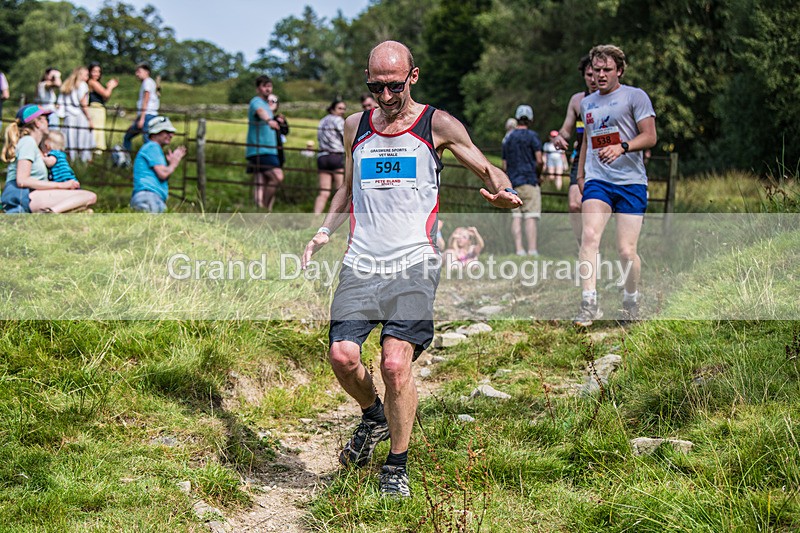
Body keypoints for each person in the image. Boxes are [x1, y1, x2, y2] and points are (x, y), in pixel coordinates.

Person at [300, 40, 521, 498]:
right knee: (343, 357)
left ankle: (396, 464)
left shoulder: (435, 123)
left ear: (413, 77)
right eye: (375, 86)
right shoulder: (352, 127)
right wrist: (324, 231)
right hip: (361, 261)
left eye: (394, 86)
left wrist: (503, 189)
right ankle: (373, 415)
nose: (384, 96)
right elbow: (345, 190)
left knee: (395, 363)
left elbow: (485, 168)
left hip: (415, 262)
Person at [574, 44, 657, 326]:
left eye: (606, 70)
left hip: (631, 182)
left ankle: (631, 300)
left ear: (619, 71)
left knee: (625, 250)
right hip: (598, 179)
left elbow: (650, 137)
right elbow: (587, 139)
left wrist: (623, 147)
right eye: (596, 70)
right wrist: (581, 175)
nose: (600, 75)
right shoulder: (587, 103)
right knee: (589, 236)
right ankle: (589, 304)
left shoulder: (635, 96)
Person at [1, 105, 96, 213]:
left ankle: (50, 213)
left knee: (85, 209)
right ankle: (50, 213)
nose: (48, 122)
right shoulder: (28, 142)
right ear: (38, 123)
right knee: (89, 196)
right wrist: (61, 186)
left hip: (30, 194)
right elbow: (22, 180)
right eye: (46, 119)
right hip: (23, 195)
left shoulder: (34, 146)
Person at [553, 55, 597, 244]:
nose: (594, 79)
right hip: (581, 158)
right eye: (589, 75)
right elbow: (566, 129)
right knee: (574, 205)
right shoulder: (577, 100)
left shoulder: (612, 100)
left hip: (605, 159)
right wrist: (560, 138)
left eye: (596, 74)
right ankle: (583, 244)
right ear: (584, 76)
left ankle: (594, 241)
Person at [502, 104, 543, 256]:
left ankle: (519, 249)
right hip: (529, 179)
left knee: (516, 217)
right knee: (530, 216)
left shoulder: (509, 138)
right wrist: (539, 174)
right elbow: (539, 160)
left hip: (512, 182)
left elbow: (504, 165)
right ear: (530, 120)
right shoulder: (533, 137)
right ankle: (532, 250)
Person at [130, 116, 186, 213]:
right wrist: (173, 164)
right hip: (149, 197)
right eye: (166, 132)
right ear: (156, 133)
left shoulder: (152, 148)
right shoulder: (152, 147)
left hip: (151, 198)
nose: (171, 135)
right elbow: (163, 174)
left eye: (171, 132)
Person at [246, 75, 284, 210]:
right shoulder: (256, 101)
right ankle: (264, 208)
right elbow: (260, 112)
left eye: (269, 86)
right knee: (277, 176)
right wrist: (269, 121)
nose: (267, 89)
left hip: (269, 149)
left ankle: (260, 211)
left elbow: (266, 110)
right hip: (260, 148)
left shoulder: (267, 105)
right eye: (264, 86)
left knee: (261, 181)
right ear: (258, 88)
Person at [313, 99, 346, 214]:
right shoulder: (339, 120)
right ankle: (335, 219)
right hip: (335, 156)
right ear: (332, 109)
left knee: (324, 192)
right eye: (340, 108)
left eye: (343, 109)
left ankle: (315, 219)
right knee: (340, 191)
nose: (342, 111)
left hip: (322, 156)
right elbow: (345, 136)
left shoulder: (322, 121)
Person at [60, 66, 95, 163]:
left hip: (69, 117)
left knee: (70, 141)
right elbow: (83, 103)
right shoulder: (83, 85)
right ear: (81, 74)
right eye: (86, 74)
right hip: (80, 117)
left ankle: (71, 161)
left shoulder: (68, 85)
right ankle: (82, 163)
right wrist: (89, 119)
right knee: (82, 141)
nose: (88, 77)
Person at [122, 64, 160, 154]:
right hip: (146, 115)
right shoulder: (149, 82)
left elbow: (145, 100)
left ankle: (152, 163)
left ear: (147, 72)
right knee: (129, 135)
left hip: (147, 115)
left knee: (147, 140)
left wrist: (142, 118)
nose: (137, 74)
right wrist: (137, 120)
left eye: (139, 71)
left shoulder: (147, 82)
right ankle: (127, 158)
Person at [87, 62, 119, 154]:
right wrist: (110, 86)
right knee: (96, 131)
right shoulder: (92, 82)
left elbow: (105, 97)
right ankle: (96, 150)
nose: (96, 74)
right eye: (94, 71)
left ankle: (97, 150)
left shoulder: (95, 82)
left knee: (99, 130)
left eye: (98, 71)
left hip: (99, 109)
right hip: (95, 109)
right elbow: (106, 93)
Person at [267, 94, 290, 168]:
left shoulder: (278, 119)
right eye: (267, 101)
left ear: (277, 105)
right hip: (264, 151)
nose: (270, 102)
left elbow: (285, 132)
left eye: (273, 101)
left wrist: (283, 122)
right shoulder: (259, 118)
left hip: (277, 151)